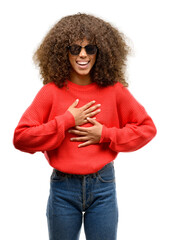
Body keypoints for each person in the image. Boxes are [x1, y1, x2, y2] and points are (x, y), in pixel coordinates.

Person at [13, 13, 157, 240]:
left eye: (90, 48)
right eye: (75, 48)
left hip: (103, 186)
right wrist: (67, 121)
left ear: (101, 53)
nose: (83, 54)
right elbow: (21, 137)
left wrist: (105, 134)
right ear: (63, 52)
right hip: (63, 188)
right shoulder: (51, 92)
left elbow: (146, 128)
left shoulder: (114, 90)